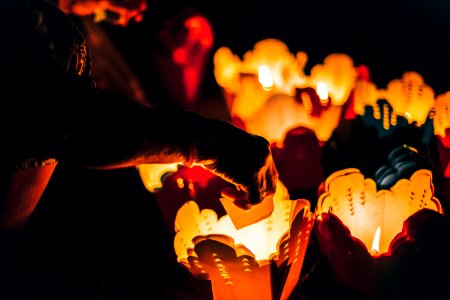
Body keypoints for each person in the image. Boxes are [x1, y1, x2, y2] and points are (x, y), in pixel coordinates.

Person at [0, 0, 278, 234]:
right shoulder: (23, 19)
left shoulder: (82, 22)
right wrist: (208, 144)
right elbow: (61, 118)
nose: (141, 7)